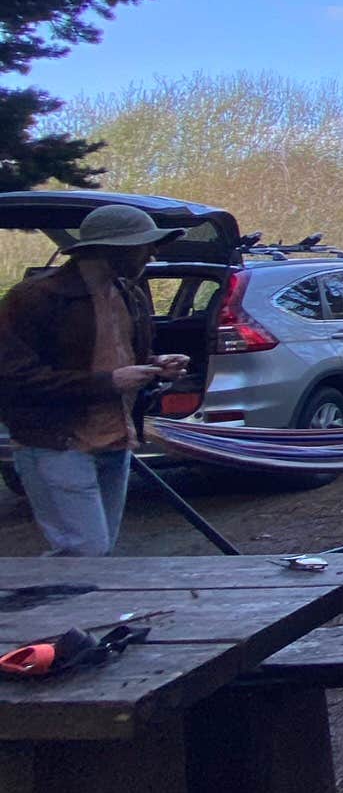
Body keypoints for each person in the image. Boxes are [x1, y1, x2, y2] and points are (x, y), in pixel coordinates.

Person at [0, 204, 191, 555]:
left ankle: (66, 607)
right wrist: (110, 382)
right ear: (111, 248)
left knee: (97, 554)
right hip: (56, 443)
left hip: (116, 440)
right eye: (143, 245)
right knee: (84, 551)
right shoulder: (35, 299)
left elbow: (115, 360)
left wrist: (155, 365)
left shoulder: (130, 295)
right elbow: (13, 379)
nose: (152, 252)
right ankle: (35, 607)